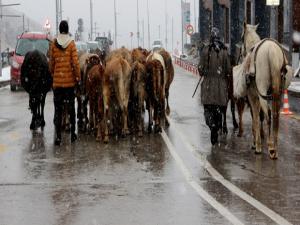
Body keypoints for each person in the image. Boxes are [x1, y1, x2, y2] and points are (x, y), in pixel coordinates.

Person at [49, 20, 81, 146]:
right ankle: (73, 133)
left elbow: (51, 63)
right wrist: (77, 77)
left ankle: (58, 136)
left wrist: (53, 74)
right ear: (67, 30)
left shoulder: (54, 43)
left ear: (59, 29)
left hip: (58, 84)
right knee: (71, 109)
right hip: (69, 84)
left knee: (58, 110)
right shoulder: (71, 43)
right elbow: (75, 63)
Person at [198, 27, 231, 145]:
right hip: (221, 90)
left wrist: (204, 70)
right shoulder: (224, 51)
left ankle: (212, 126)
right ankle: (216, 128)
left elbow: (200, 70)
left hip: (208, 88)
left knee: (208, 111)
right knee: (219, 112)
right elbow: (228, 70)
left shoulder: (205, 51)